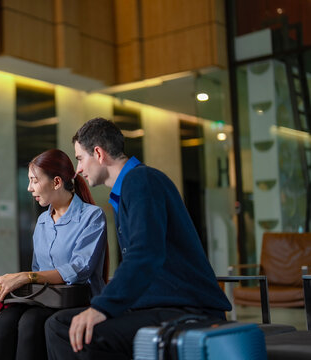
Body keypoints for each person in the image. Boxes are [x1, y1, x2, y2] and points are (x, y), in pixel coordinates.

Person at [45, 118, 231, 359]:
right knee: (60, 323)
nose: (78, 169)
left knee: (63, 328)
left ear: (99, 153)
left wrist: (102, 307)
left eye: (80, 158)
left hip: (188, 309)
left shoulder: (141, 181)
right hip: (164, 305)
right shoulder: (130, 188)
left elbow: (145, 255)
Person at [0, 149, 108, 360]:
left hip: (77, 301)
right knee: (5, 321)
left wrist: (26, 276)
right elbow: (39, 270)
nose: (29, 188)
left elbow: (79, 269)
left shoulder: (92, 216)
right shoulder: (43, 222)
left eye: (34, 181)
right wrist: (26, 280)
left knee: (30, 323)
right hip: (46, 300)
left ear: (56, 182)